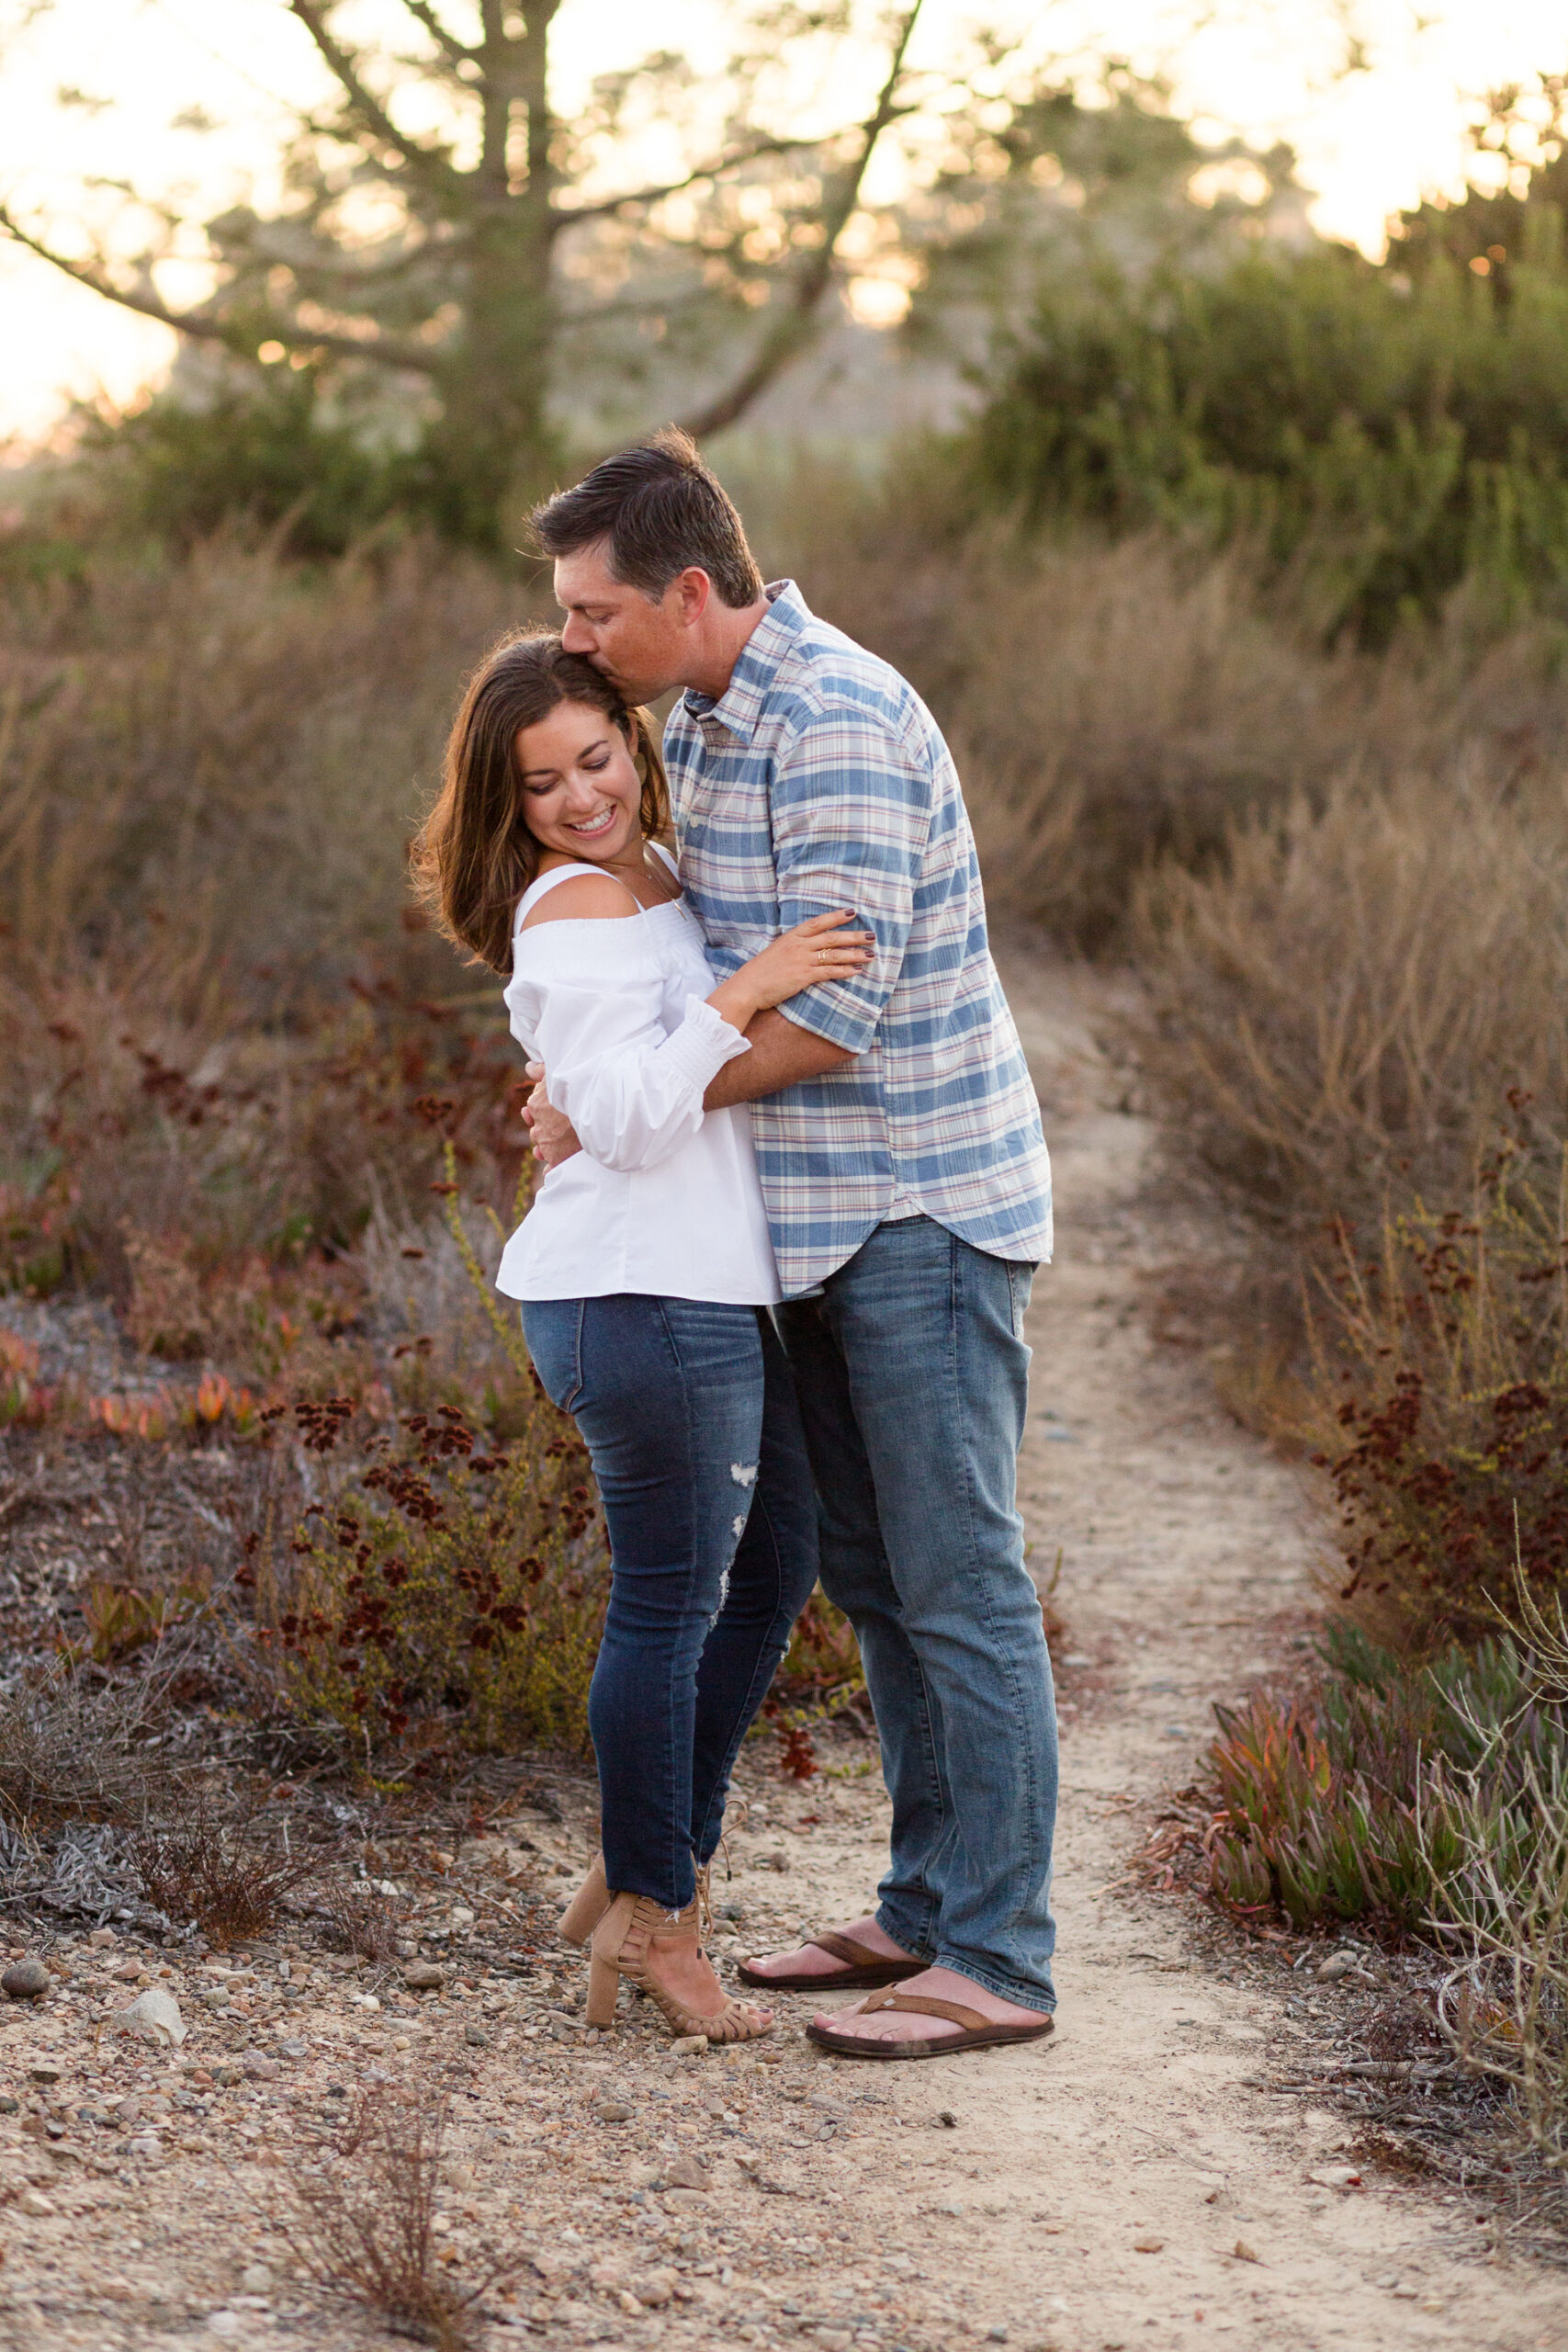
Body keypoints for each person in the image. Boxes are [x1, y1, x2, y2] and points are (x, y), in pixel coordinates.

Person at [525, 431, 1059, 2061]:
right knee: (879, 1584)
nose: (571, 644)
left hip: (914, 1207)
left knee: (960, 1581)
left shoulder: (831, 719)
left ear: (689, 591)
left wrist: (630, 1110)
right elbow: (663, 950)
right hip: (806, 1232)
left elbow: (828, 1020)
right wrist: (601, 1080)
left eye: (593, 611)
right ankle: (919, 1906)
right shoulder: (700, 716)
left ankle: (1003, 1958)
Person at [412, 632, 873, 2044]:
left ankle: (637, 1858)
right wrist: (744, 993)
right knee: (670, 1609)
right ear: (510, 801)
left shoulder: (652, 873)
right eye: (541, 783)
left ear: (632, 734)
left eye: (595, 759)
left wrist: (654, 1049)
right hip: (636, 1296)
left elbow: (602, 1094)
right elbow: (618, 1113)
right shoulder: (570, 912)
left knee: (777, 1562)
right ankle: (662, 1922)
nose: (579, 797)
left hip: (697, 1284)